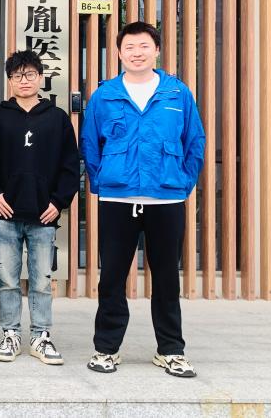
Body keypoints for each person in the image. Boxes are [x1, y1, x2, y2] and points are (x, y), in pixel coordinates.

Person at [82, 21, 205, 378]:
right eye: (130, 47)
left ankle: (171, 350)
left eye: (144, 46)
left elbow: (194, 142)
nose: (137, 53)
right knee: (112, 277)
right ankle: (106, 349)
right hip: (117, 201)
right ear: (119, 53)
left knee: (167, 279)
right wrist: (104, 182)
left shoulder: (177, 93)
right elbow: (90, 144)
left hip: (166, 201)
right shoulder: (104, 95)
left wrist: (181, 183)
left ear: (157, 50)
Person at [0, 50, 79, 365]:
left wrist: (59, 201)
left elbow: (70, 165)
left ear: (40, 77)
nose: (23, 81)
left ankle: (41, 335)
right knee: (8, 280)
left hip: (44, 213)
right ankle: (10, 334)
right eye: (17, 76)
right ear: (9, 81)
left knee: (41, 280)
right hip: (5, 213)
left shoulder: (57, 118)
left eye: (29, 75)